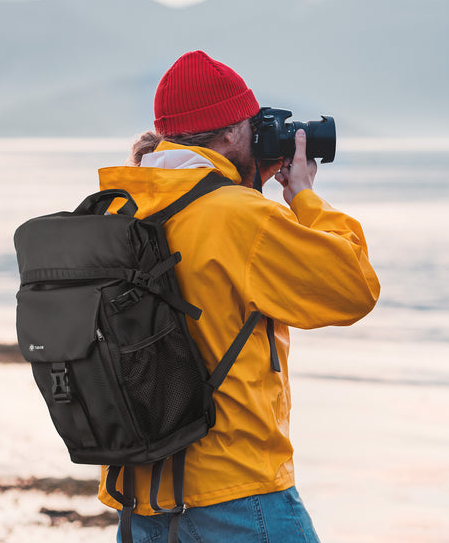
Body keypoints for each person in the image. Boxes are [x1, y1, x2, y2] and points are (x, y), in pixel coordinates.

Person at [96, 50, 380, 542]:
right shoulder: (240, 216)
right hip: (236, 495)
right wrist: (304, 197)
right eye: (253, 124)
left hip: (140, 500)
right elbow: (353, 288)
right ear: (229, 133)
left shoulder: (122, 208)